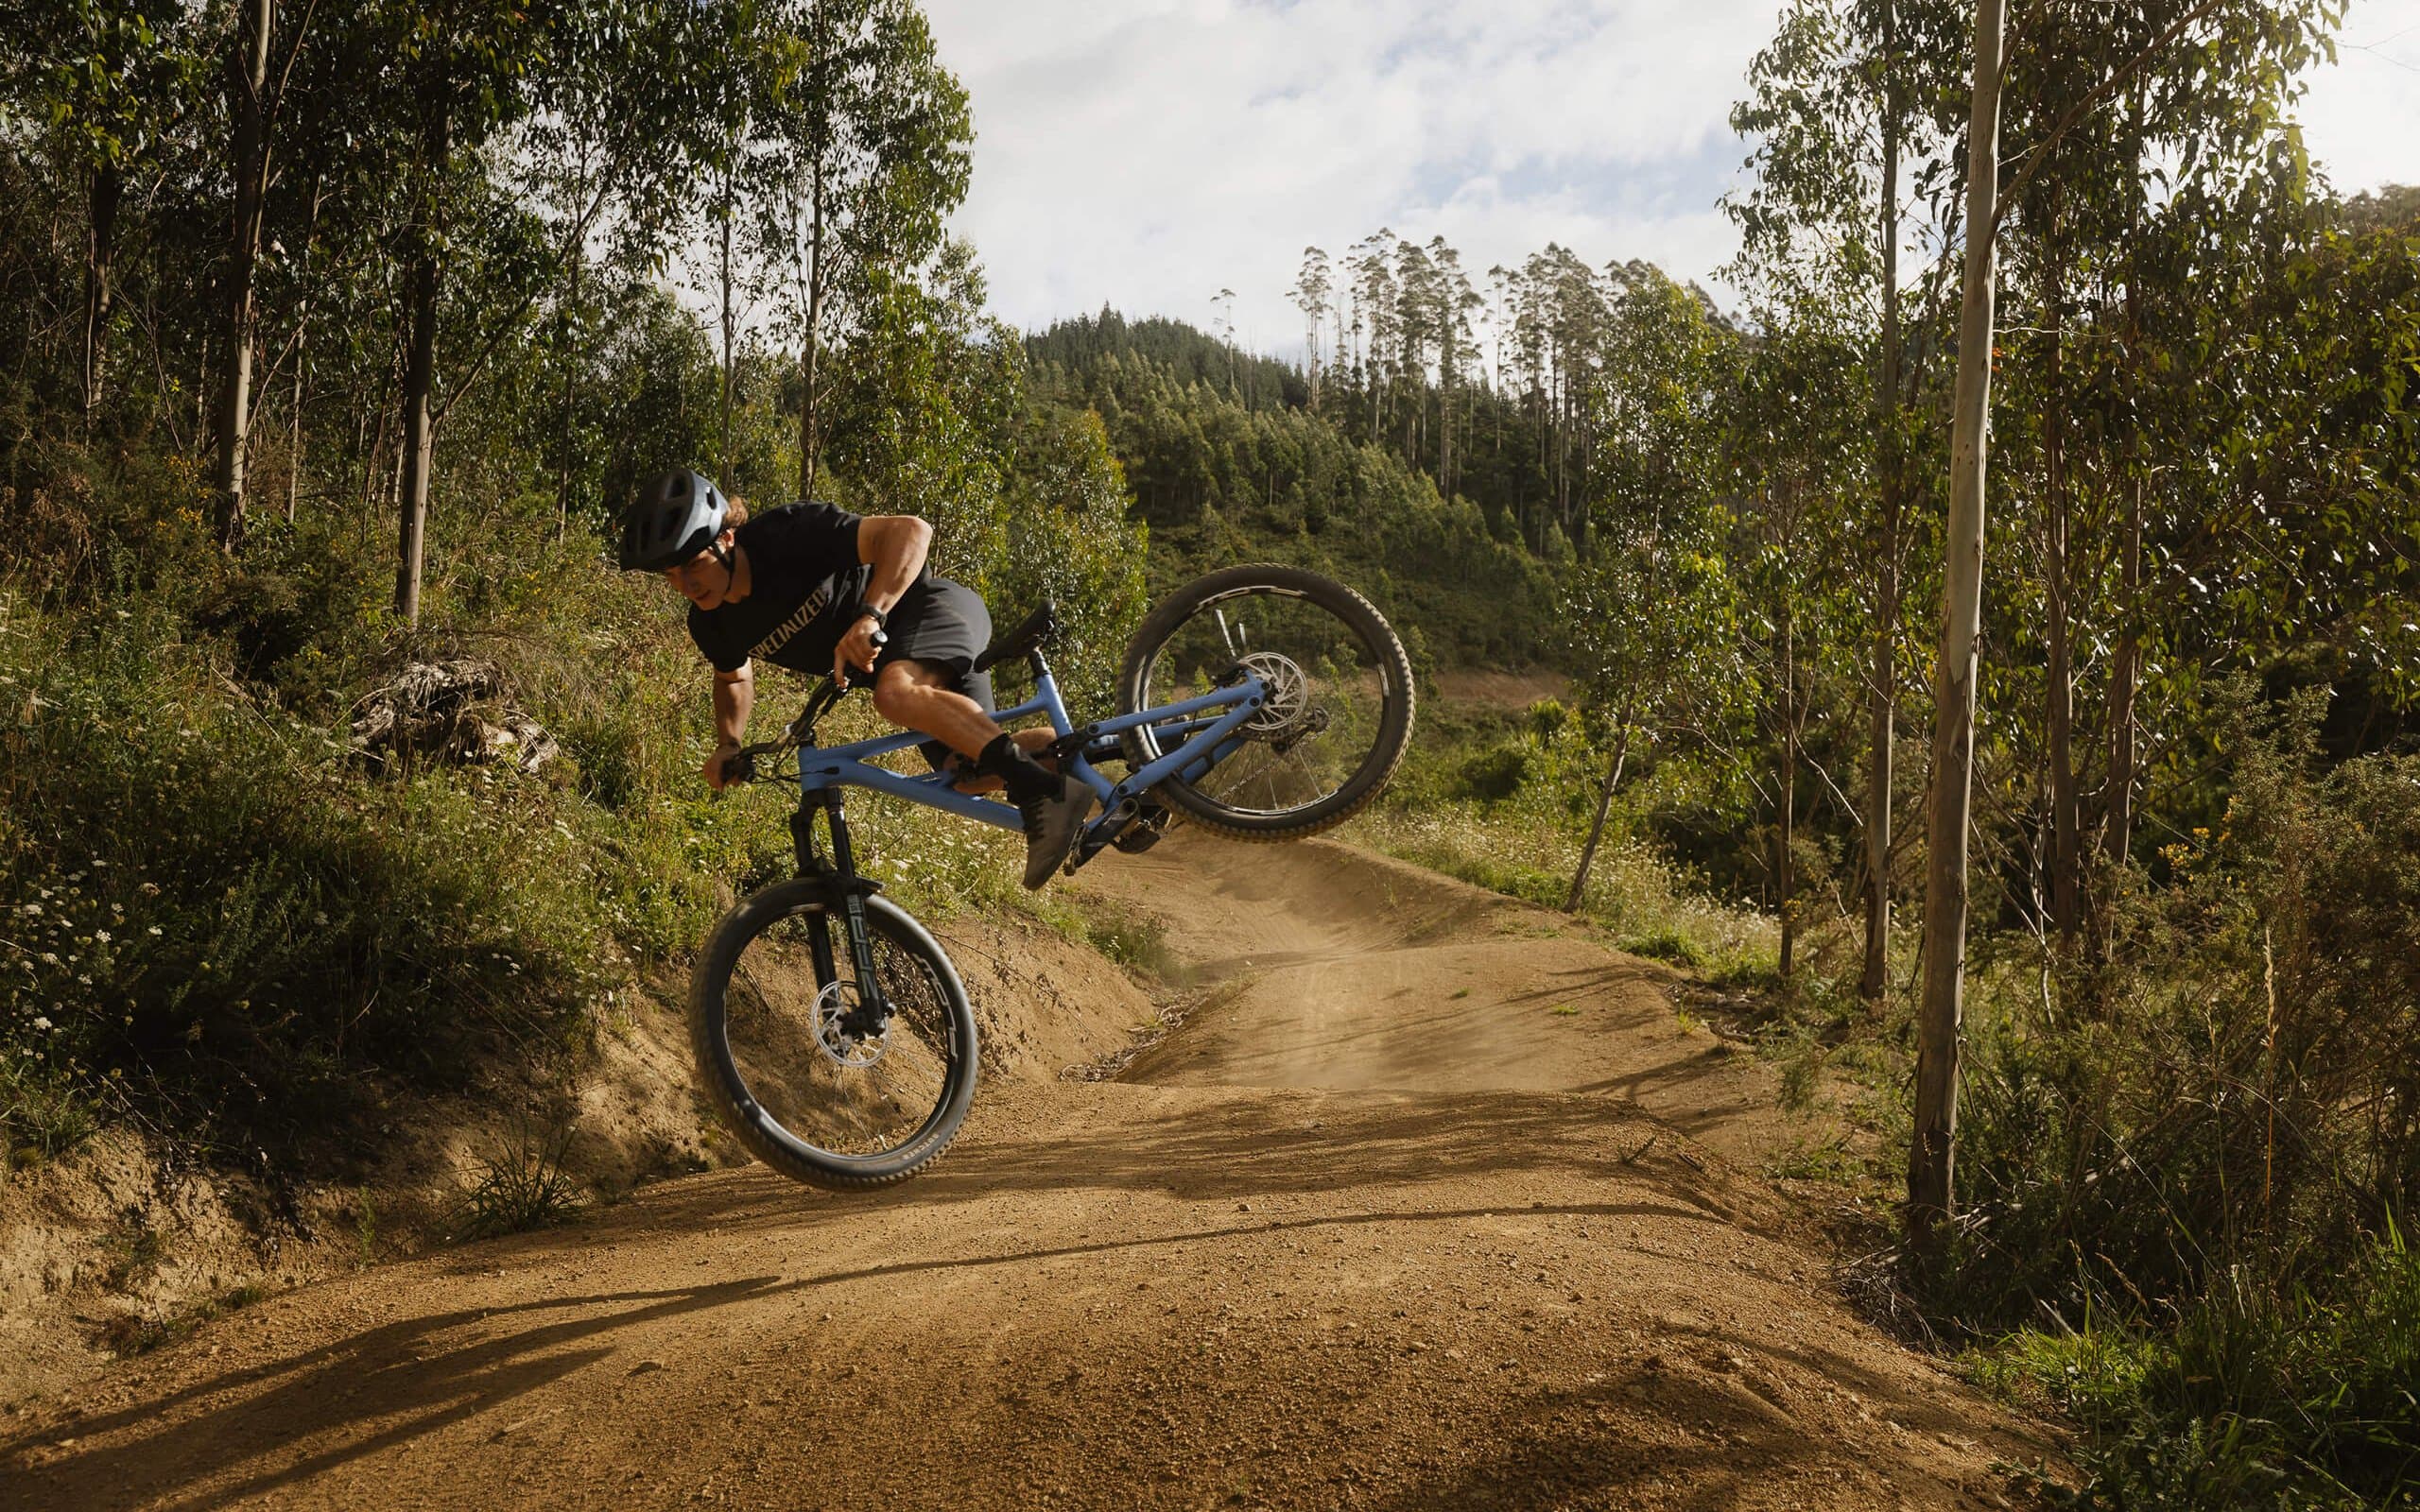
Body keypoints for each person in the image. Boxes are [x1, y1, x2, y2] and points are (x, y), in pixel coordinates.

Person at [618, 470, 1088, 889]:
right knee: (964, 774)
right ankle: (1114, 783)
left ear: (726, 538)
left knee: (894, 692)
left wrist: (871, 614)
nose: (684, 585)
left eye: (692, 566)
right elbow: (733, 676)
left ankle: (1042, 795)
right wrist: (729, 741)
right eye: (670, 575)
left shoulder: (783, 536)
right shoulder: (711, 621)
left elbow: (910, 532)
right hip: (902, 664)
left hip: (929, 608)